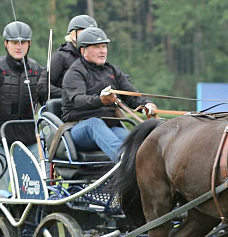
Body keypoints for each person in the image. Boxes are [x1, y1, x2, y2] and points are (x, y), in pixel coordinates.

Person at [61, 27, 157, 162]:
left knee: (133, 143)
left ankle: (140, 163)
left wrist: (146, 104)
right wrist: (101, 100)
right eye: (96, 47)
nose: (102, 51)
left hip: (109, 128)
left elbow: (130, 94)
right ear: (83, 51)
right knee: (94, 123)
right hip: (78, 129)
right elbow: (78, 100)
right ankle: (124, 161)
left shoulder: (112, 70)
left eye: (104, 46)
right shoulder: (75, 73)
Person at [0, 21, 47, 190]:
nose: (19, 47)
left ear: (29, 44)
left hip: (30, 144)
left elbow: (49, 104)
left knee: (36, 192)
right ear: (6, 43)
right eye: (14, 42)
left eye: (23, 42)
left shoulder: (38, 71)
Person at [41, 14, 97, 99]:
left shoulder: (97, 57)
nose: (91, 37)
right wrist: (71, 95)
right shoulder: (61, 56)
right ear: (73, 35)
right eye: (86, 32)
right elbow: (43, 87)